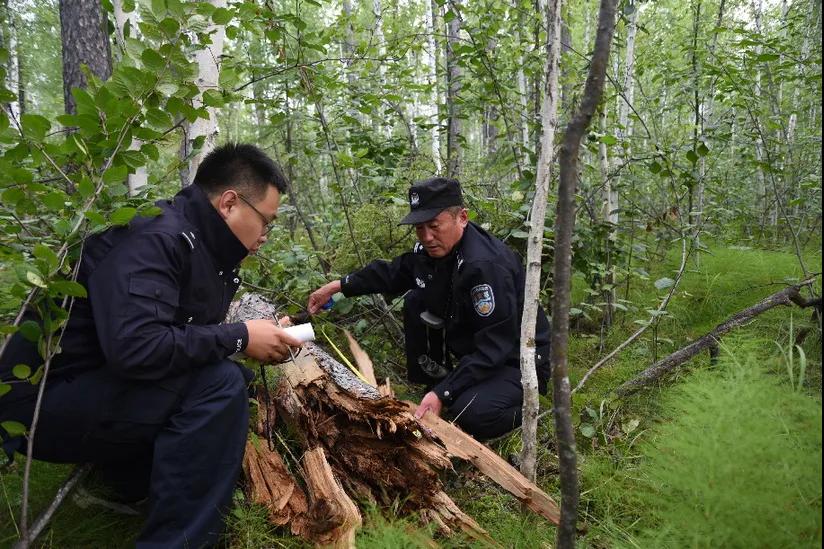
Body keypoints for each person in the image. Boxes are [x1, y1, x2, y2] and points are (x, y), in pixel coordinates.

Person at [0, 143, 302, 547]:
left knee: (226, 379)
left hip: (84, 386)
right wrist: (240, 336)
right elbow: (136, 348)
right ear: (230, 203)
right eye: (267, 221)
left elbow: (173, 332)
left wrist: (253, 333)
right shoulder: (156, 238)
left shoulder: (201, 247)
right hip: (37, 406)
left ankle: (124, 484)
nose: (266, 235)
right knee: (219, 385)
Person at [307, 177, 551, 440]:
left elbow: (495, 347)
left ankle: (532, 408)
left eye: (434, 226)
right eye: (419, 228)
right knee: (416, 300)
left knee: (468, 414)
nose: (426, 237)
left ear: (462, 218)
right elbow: (394, 272)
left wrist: (445, 394)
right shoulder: (433, 250)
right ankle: (436, 384)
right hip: (480, 349)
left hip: (516, 360)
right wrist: (338, 286)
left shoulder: (484, 266)